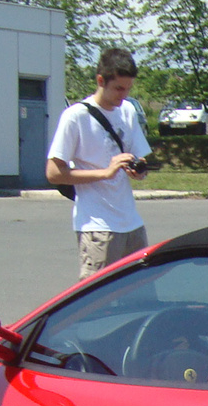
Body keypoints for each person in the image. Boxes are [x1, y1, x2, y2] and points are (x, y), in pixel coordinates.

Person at [46, 47, 152, 281]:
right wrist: (105, 172)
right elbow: (54, 173)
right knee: (98, 300)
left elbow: (140, 156)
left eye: (128, 89)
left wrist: (138, 169)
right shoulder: (76, 116)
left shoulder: (127, 111)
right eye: (118, 88)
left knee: (139, 295)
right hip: (98, 226)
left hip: (131, 223)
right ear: (101, 80)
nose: (123, 95)